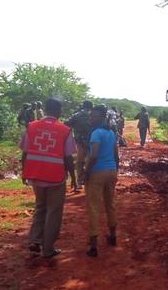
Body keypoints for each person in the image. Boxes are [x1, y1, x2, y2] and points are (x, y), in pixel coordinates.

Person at [20, 98, 76, 258]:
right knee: (54, 211)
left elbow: (25, 152)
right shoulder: (64, 130)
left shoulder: (32, 126)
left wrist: (25, 172)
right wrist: (73, 177)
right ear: (58, 111)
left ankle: (34, 240)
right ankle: (48, 248)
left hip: (36, 175)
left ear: (45, 108)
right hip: (55, 177)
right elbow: (68, 158)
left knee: (40, 207)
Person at [83, 105, 119, 257]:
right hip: (111, 171)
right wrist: (115, 171)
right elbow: (116, 156)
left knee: (94, 208)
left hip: (97, 172)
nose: (91, 118)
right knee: (110, 204)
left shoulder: (96, 133)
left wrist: (86, 172)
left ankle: (93, 246)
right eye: (90, 116)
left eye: (93, 116)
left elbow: (94, 155)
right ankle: (113, 236)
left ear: (101, 117)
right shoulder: (111, 132)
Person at [65, 101, 93, 192]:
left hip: (79, 142)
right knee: (92, 160)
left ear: (82, 106)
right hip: (93, 141)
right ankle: (91, 180)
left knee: (79, 162)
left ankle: (79, 183)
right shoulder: (94, 115)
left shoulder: (76, 115)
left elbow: (67, 123)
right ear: (91, 107)